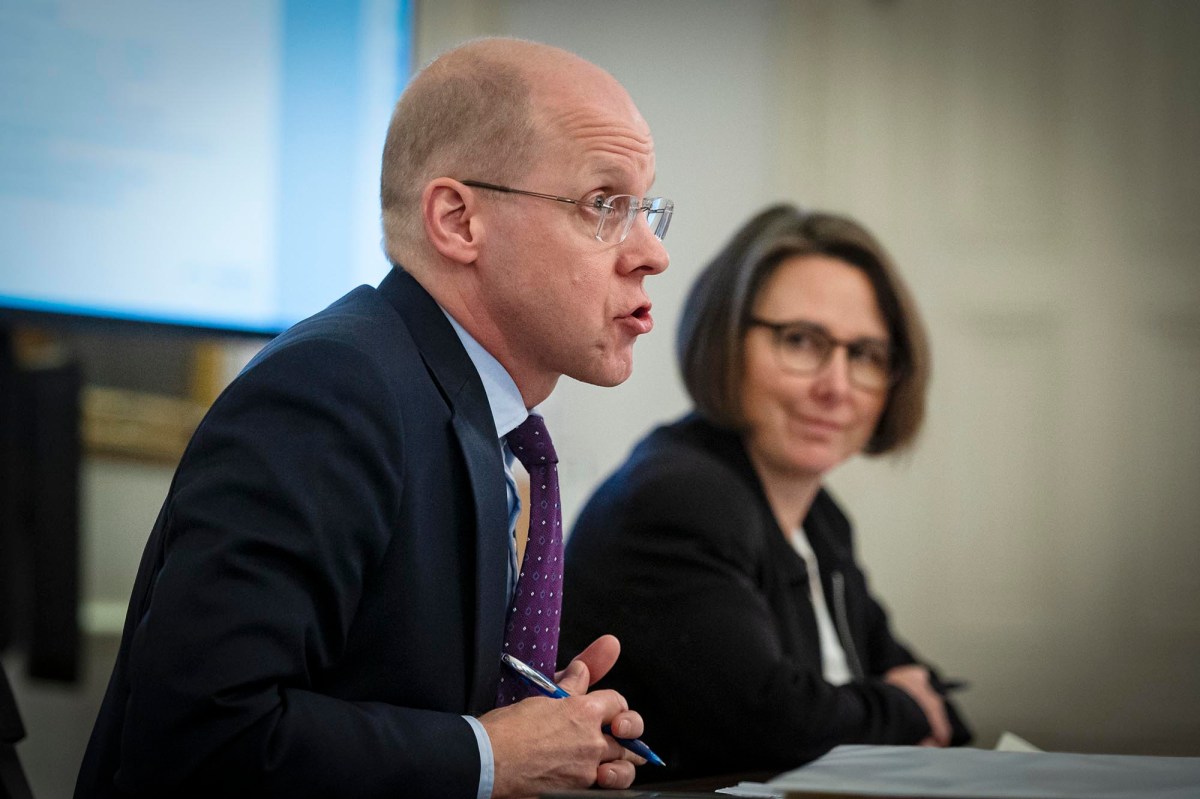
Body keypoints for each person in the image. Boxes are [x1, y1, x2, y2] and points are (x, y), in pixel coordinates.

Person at [75, 38, 672, 799]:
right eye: (603, 205)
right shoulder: (332, 389)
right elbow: (203, 736)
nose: (650, 252)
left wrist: (539, 731)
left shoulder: (456, 406)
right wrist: (489, 754)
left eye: (646, 208)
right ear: (458, 220)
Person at [560, 204, 971, 783]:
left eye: (866, 355)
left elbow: (926, 688)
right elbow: (772, 724)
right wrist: (902, 709)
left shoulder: (820, 519)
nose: (837, 386)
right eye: (801, 341)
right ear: (725, 338)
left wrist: (907, 702)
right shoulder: (677, 498)